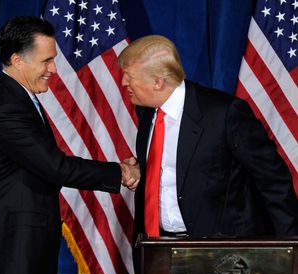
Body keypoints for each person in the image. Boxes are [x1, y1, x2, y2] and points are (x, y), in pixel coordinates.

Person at [0, 16, 139, 274]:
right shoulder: (6, 107)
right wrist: (120, 173)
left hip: (21, 261)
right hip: (5, 262)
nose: (54, 69)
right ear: (17, 60)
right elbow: (56, 166)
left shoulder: (21, 100)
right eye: (46, 61)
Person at [118, 34, 298, 241]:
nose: (123, 82)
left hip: (222, 254)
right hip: (157, 248)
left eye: (129, 76)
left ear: (158, 82)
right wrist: (141, 170)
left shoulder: (225, 114)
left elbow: (273, 182)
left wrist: (291, 249)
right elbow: (182, 165)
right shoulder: (147, 110)